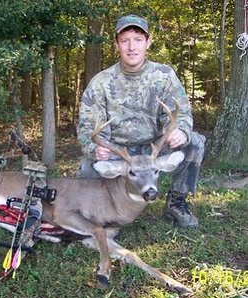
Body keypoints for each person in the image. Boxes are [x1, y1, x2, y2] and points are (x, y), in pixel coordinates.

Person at [76, 14, 206, 228]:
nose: (131, 47)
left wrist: (180, 130)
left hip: (153, 151)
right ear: (117, 44)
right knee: (91, 166)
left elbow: (180, 112)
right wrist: (94, 148)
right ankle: (100, 209)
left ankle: (177, 201)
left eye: (137, 40)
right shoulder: (101, 82)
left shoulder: (164, 76)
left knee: (194, 142)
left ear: (148, 42)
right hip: (120, 154)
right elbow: (88, 128)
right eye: (125, 40)